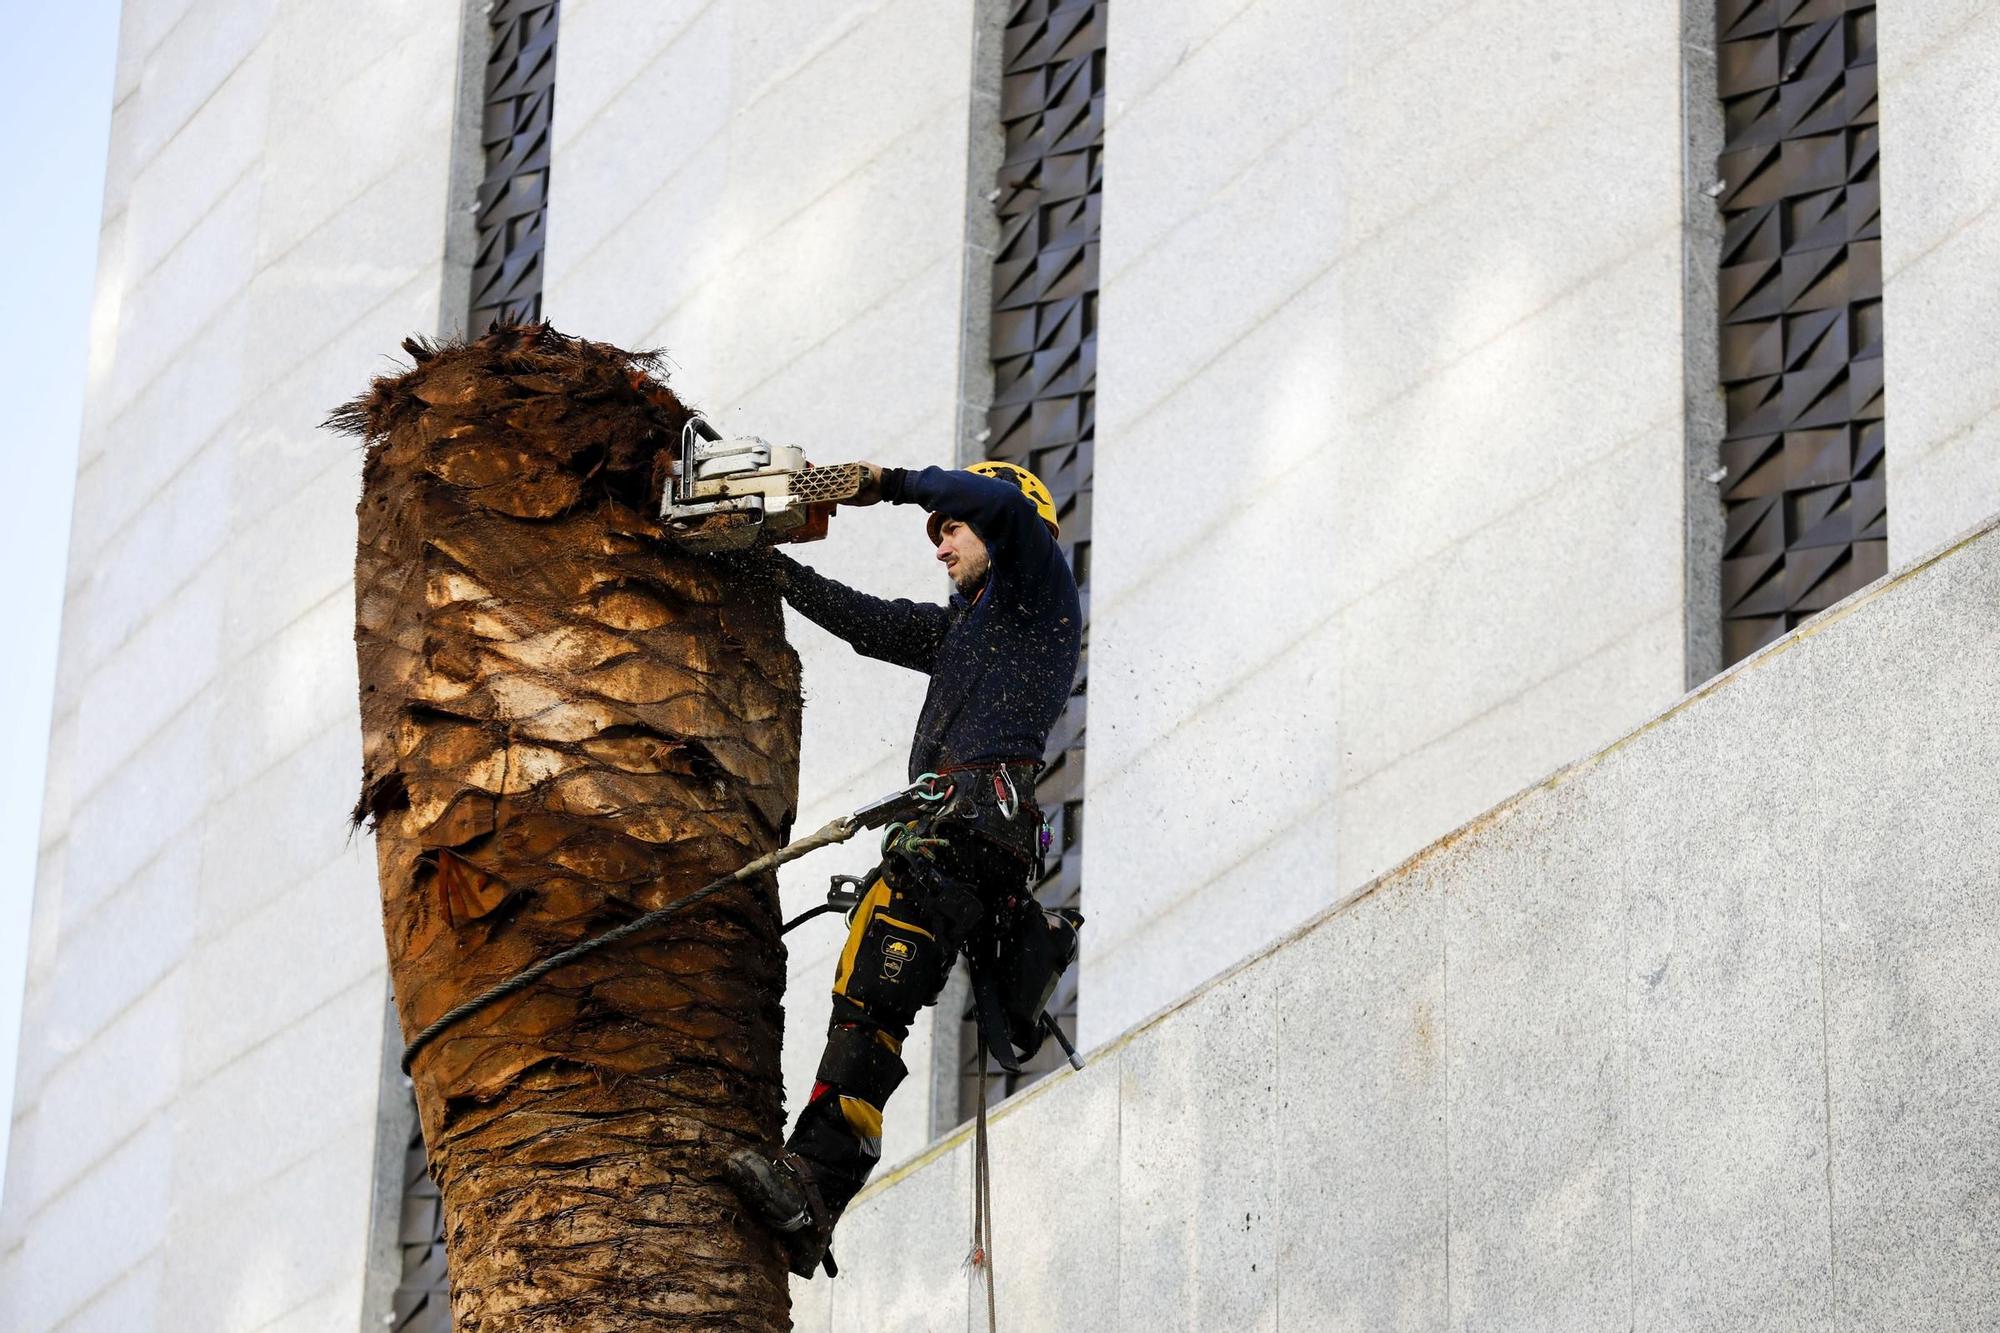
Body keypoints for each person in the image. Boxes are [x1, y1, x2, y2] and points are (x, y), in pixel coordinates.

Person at [724, 459, 1082, 1278]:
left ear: (1005, 526)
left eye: (951, 529)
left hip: (968, 839)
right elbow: (868, 622)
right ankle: (812, 1188)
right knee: (867, 990)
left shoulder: (1038, 594)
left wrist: (887, 482)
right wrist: (771, 567)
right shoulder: (965, 630)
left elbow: (996, 501)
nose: (940, 546)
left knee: (874, 996)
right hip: (949, 841)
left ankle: (814, 1183)